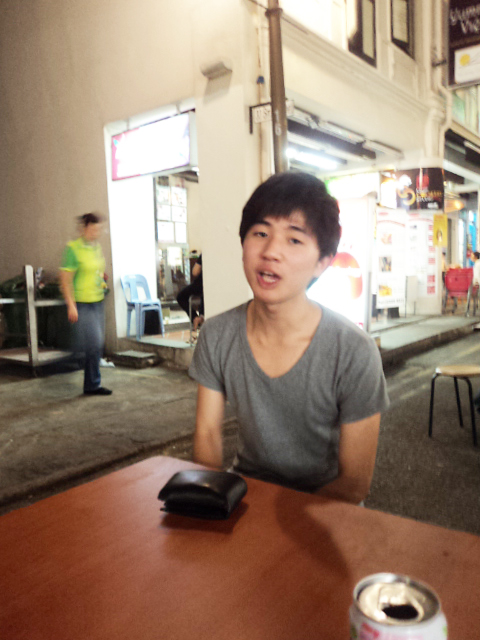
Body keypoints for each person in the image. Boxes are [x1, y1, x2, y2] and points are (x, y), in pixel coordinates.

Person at [189, 172, 389, 504]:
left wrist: (281, 525)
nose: (271, 251)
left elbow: (354, 483)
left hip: (325, 506)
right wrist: (211, 500)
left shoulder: (353, 350)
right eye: (260, 233)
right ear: (243, 244)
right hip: (245, 496)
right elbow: (208, 435)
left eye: (294, 240)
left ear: (322, 263)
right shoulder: (217, 335)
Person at [59, 213, 112, 396]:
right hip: (82, 303)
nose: (97, 232)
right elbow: (65, 280)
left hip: (97, 301)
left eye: (99, 229)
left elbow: (97, 271)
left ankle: (91, 384)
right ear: (84, 228)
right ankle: (90, 383)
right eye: (93, 229)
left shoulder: (96, 247)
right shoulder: (73, 249)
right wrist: (71, 305)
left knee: (96, 345)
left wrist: (101, 280)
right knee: (94, 343)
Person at [176, 254, 204, 331]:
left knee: (181, 297)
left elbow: (195, 272)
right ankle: (201, 317)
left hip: (201, 284)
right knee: (203, 297)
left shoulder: (204, 254)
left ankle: (195, 318)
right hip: (211, 287)